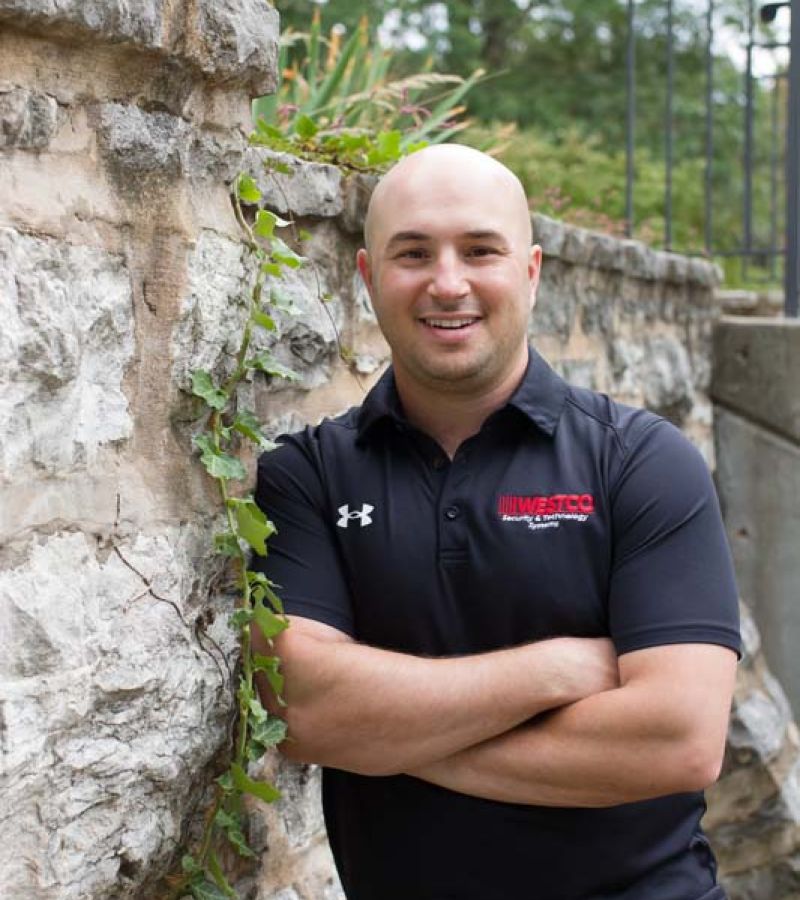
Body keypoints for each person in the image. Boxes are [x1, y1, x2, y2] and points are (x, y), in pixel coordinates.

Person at [251, 144, 741, 900]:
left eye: (481, 250)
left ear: (532, 272)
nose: (449, 284)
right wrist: (554, 670)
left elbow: (678, 739)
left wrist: (387, 739)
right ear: (367, 277)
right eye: (413, 253)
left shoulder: (640, 462)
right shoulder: (307, 477)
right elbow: (305, 705)